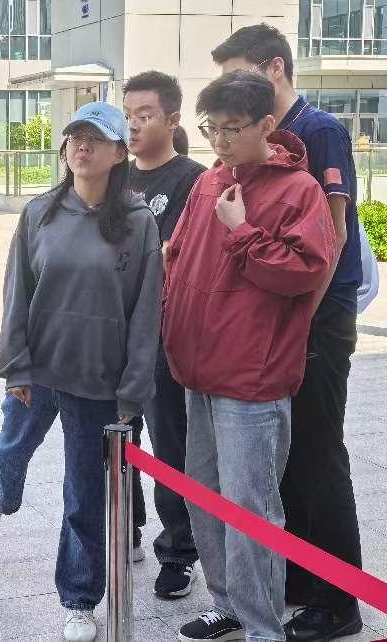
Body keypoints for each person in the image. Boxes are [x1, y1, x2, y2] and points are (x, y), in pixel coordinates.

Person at [0, 101, 162, 642]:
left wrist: (133, 390)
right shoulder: (39, 214)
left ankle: (78, 601)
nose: (82, 146)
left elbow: (147, 312)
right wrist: (15, 367)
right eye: (75, 137)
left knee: (83, 497)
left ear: (119, 153)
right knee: (11, 446)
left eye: (95, 139)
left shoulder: (138, 223)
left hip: (99, 383)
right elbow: (16, 293)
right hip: (39, 370)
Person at [165, 71, 336, 642]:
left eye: (232, 129)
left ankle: (263, 627)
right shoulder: (209, 181)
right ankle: (228, 605)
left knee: (251, 507)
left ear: (266, 125)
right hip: (198, 369)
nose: (220, 140)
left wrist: (242, 232)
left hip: (253, 378)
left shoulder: (299, 190)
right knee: (206, 496)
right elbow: (178, 257)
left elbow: (304, 272)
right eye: (211, 128)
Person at [213, 24, 366, 640]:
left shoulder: (318, 130)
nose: (231, 89)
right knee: (286, 455)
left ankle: (340, 599)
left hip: (317, 318)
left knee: (318, 454)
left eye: (240, 74)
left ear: (274, 68)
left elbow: (334, 235)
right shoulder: (261, 141)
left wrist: (302, 324)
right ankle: (299, 580)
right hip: (278, 319)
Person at [123, 70, 206, 600]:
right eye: (128, 115)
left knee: (170, 446)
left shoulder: (194, 180)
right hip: (113, 331)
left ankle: (179, 552)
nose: (132, 126)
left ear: (172, 119)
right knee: (114, 438)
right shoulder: (116, 176)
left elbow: (178, 259)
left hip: (162, 337)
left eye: (145, 115)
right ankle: (123, 526)